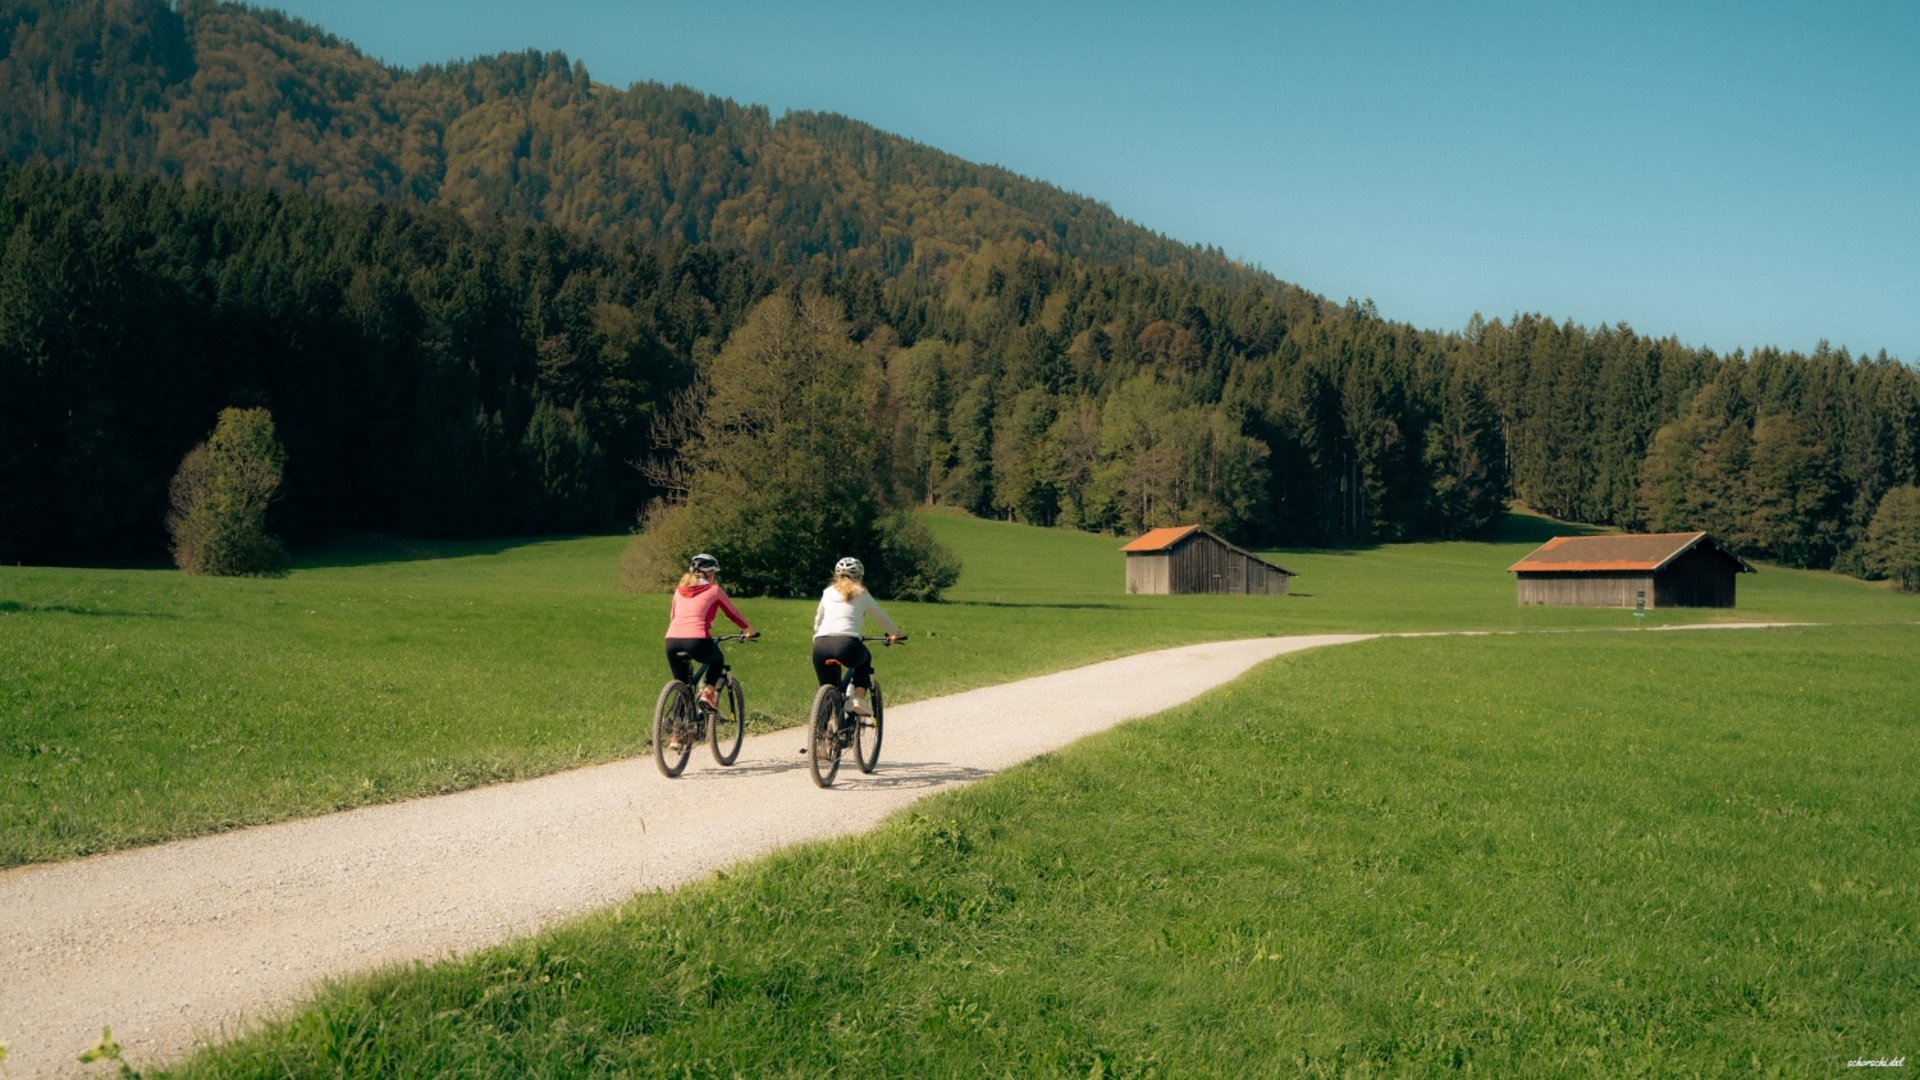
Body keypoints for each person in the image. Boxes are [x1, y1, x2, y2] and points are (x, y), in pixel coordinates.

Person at [663, 554, 757, 738]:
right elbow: (732, 612)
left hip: (672, 640)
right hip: (697, 639)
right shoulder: (714, 590)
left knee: (683, 687)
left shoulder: (679, 590)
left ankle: (677, 735)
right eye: (714, 573)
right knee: (717, 660)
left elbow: (673, 617)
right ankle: (707, 693)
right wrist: (749, 630)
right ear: (710, 574)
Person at [811, 556, 904, 718]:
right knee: (865, 658)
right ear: (860, 576)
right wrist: (896, 633)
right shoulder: (862, 593)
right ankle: (858, 699)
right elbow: (880, 616)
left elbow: (818, 618)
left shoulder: (827, 592)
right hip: (847, 645)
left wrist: (816, 634)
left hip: (820, 646)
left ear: (837, 575)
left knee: (828, 692)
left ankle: (820, 737)